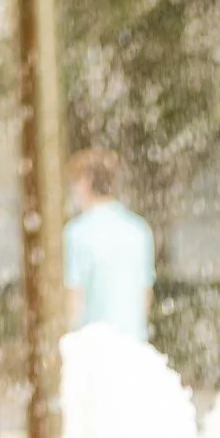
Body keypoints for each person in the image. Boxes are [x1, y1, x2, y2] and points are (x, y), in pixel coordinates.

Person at [63, 147, 155, 342]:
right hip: (133, 346)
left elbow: (73, 298)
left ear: (86, 182)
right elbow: (145, 295)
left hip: (93, 348)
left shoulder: (76, 233)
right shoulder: (139, 230)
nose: (72, 191)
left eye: (74, 183)